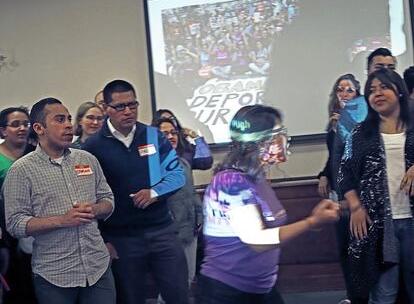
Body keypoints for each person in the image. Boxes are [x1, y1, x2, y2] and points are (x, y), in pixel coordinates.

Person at [197, 104, 339, 304]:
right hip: (228, 292)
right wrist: (311, 222)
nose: (285, 139)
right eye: (279, 133)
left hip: (262, 288)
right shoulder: (230, 182)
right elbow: (257, 240)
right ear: (261, 141)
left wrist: (318, 219)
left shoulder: (256, 177)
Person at [83, 80, 188, 304]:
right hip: (122, 238)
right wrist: (103, 240)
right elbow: (87, 196)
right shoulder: (92, 146)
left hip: (162, 231)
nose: (128, 111)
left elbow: (177, 176)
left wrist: (154, 192)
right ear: (106, 108)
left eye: (132, 104)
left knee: (178, 294)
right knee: (131, 298)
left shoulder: (153, 136)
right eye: (120, 106)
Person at [3, 98, 116, 304]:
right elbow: (15, 223)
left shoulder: (87, 160)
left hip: (97, 267)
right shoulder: (21, 170)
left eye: (69, 119)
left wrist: (95, 208)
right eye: (59, 119)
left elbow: (108, 199)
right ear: (39, 128)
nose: (68, 125)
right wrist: (62, 220)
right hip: (55, 274)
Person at [338, 69, 414, 303]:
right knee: (384, 292)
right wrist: (356, 207)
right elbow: (345, 174)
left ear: (399, 91)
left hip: (411, 221)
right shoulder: (361, 133)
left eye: (384, 87)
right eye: (372, 90)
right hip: (379, 223)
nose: (377, 94)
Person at [317, 74, 368, 304]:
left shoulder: (364, 118)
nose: (344, 94)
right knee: (345, 246)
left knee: (362, 246)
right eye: (340, 89)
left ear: (357, 94)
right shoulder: (335, 121)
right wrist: (324, 174)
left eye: (349, 90)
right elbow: (335, 157)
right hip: (338, 191)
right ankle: (352, 295)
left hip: (359, 193)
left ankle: (366, 295)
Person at [152, 117, 203, 302]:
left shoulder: (183, 162)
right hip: (170, 233)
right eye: (164, 133)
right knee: (172, 283)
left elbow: (192, 193)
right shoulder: (152, 167)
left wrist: (199, 215)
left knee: (188, 279)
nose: (171, 136)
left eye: (173, 132)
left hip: (190, 230)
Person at [0, 107, 31, 304]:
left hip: (33, 233)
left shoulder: (35, 154)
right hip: (5, 237)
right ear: (3, 131)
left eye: (25, 124)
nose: (22, 128)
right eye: (15, 125)